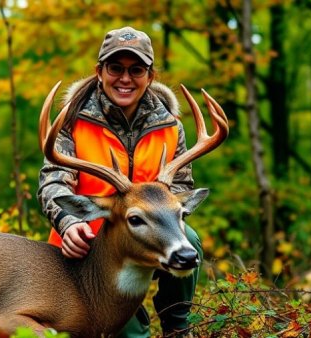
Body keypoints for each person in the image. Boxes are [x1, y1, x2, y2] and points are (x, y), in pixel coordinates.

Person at [37, 26, 202, 337]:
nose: (125, 79)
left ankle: (177, 327)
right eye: (116, 68)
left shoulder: (170, 127)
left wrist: (154, 222)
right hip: (86, 245)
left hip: (147, 235)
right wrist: (68, 222)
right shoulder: (71, 121)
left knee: (188, 239)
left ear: (150, 76)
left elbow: (181, 189)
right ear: (100, 71)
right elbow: (52, 183)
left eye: (136, 70)